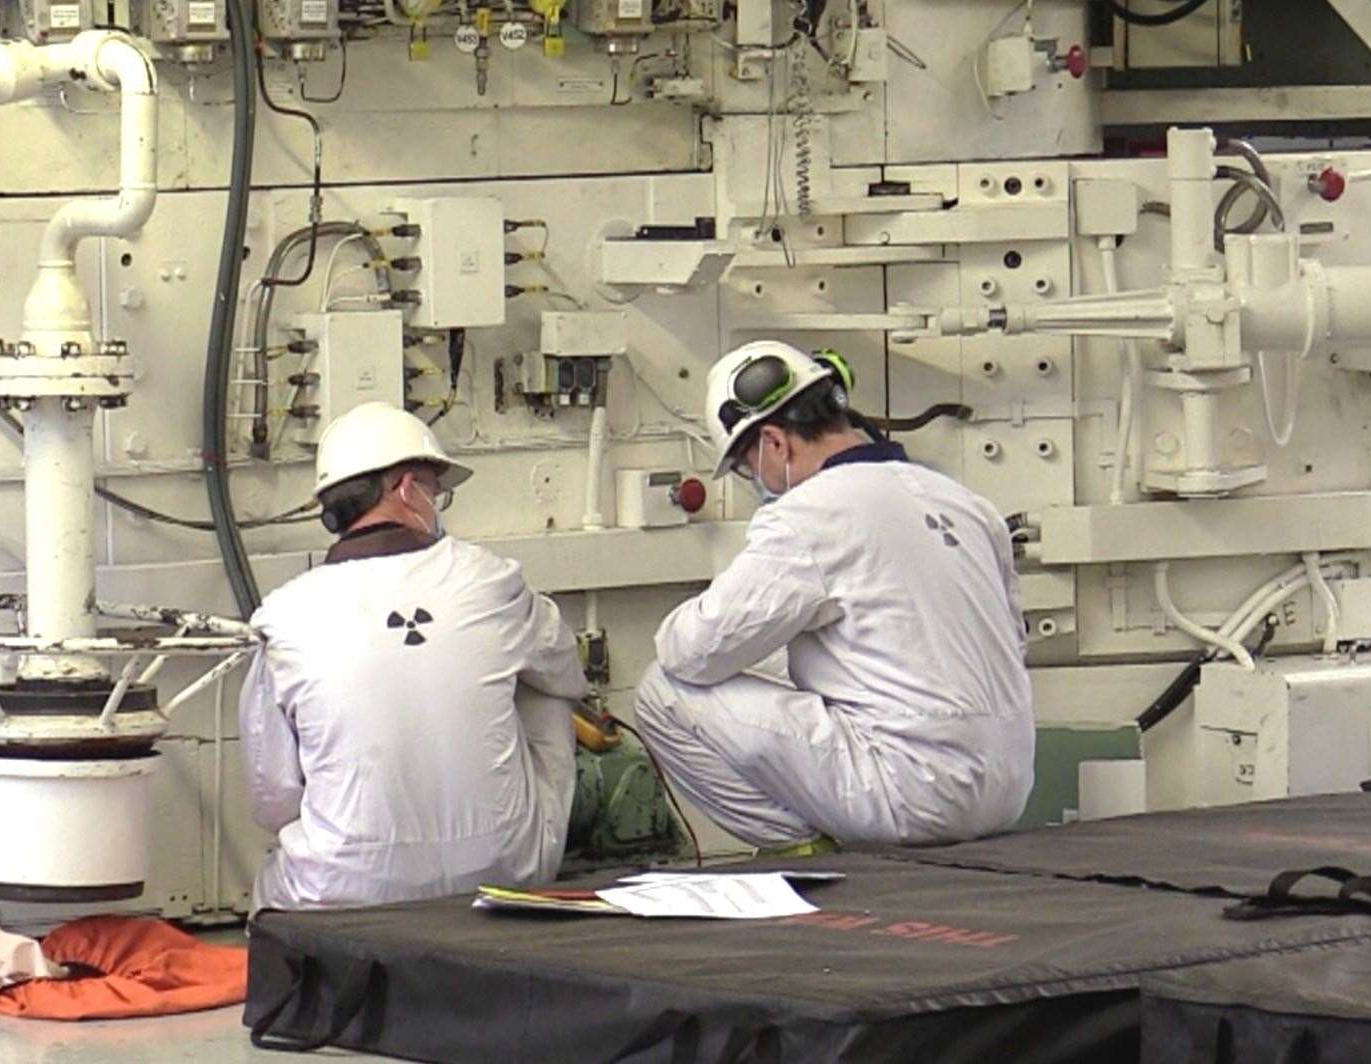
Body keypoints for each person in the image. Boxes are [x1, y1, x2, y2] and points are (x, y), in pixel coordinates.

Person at [634, 341, 1035, 850]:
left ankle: (805, 847)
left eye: (746, 467)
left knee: (662, 691)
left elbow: (692, 653)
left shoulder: (808, 514)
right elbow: (1013, 646)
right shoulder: (966, 502)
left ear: (775, 444)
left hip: (909, 795)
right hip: (1007, 788)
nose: (754, 481)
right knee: (792, 658)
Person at [241, 402, 586, 910]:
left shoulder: (283, 615)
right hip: (502, 873)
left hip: (340, 893)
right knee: (545, 692)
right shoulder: (489, 580)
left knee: (272, 893)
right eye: (436, 491)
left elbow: (272, 799)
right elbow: (567, 672)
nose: (437, 505)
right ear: (407, 489)